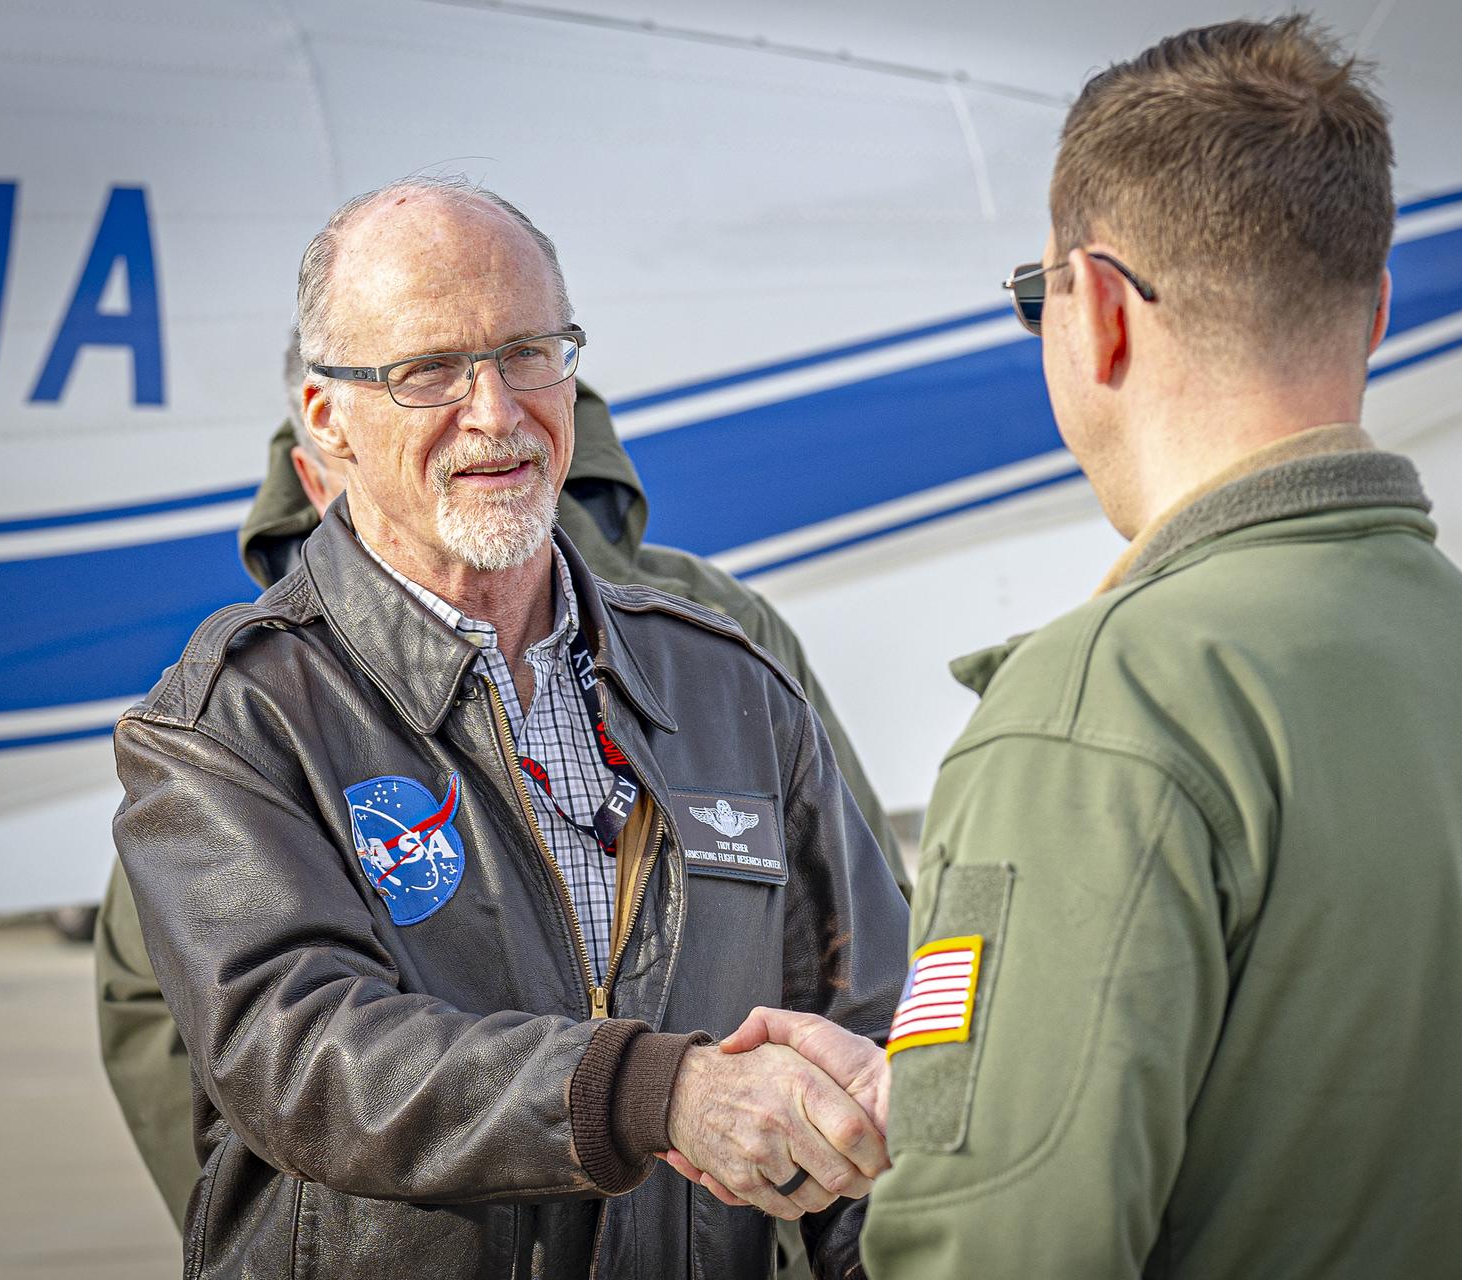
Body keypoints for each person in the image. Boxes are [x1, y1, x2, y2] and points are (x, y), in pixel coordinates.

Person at [716, 17, 1462, 1279]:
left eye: (1035, 296)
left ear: (1094, 309)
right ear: (1374, 313)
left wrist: (962, 1157)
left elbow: (1003, 1250)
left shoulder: (1101, 706)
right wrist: (951, 1091)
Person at [111, 175, 908, 1279]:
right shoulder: (229, 722)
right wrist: (660, 1092)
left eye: (530, 351)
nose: (494, 409)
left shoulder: (728, 683)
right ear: (326, 417)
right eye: (427, 369)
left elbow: (869, 1031)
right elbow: (303, 1054)